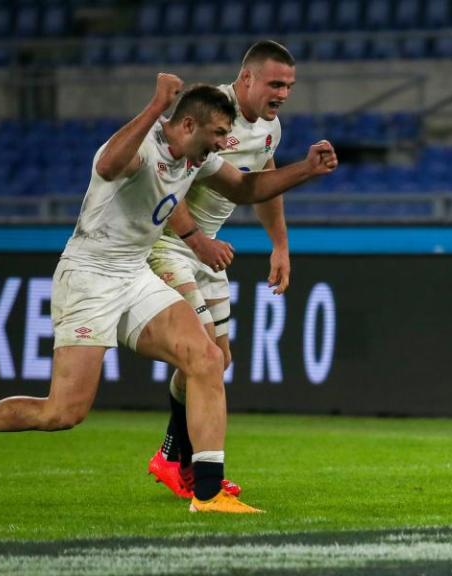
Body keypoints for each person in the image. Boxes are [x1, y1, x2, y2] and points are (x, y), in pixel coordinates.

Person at [0, 73, 338, 514]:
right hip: (88, 278)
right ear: (188, 125)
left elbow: (245, 188)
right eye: (215, 135)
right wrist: (155, 107)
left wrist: (305, 170)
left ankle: (208, 493)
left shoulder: (195, 156)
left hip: (134, 275)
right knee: (63, 413)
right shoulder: (142, 148)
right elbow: (107, 166)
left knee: (208, 358)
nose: (220, 145)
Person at [145, 40, 296, 500]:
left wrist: (280, 245)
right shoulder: (207, 111)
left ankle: (172, 455)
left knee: (218, 360)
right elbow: (158, 178)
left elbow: (262, 184)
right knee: (204, 358)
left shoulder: (271, 129)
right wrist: (196, 239)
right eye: (275, 83)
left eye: (289, 85)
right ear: (246, 78)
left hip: (207, 250)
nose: (283, 93)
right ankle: (186, 464)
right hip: (169, 242)